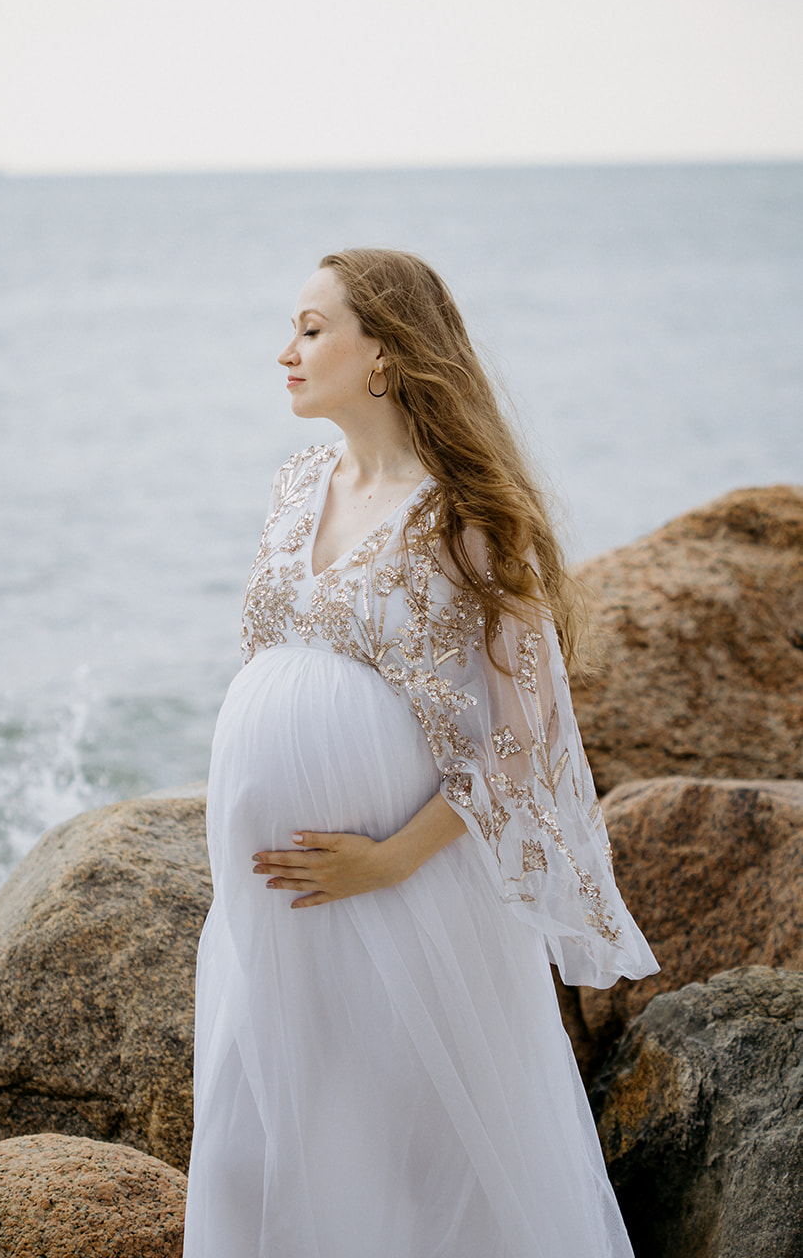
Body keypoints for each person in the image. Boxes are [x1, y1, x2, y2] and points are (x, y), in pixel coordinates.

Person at [183, 248, 657, 1258]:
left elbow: (522, 735)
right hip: (271, 895)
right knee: (255, 1135)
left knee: (410, 1154)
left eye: (311, 329)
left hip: (401, 891)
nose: (286, 351)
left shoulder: (463, 515)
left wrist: (390, 856)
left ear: (387, 356)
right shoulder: (297, 486)